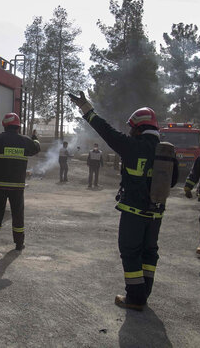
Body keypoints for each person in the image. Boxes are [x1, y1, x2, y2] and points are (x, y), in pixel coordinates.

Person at [69, 91, 178, 312]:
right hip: (156, 214)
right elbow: (173, 181)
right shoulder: (167, 152)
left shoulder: (132, 146)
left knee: (130, 251)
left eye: (132, 128)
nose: (130, 131)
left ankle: (135, 298)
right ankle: (144, 292)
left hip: (133, 212)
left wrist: (87, 110)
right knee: (149, 253)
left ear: (138, 128)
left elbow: (106, 131)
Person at [0, 112, 40, 253]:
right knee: (17, 214)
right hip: (17, 187)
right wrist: (34, 137)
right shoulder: (25, 141)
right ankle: (19, 243)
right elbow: (36, 148)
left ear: (5, 125)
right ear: (18, 126)